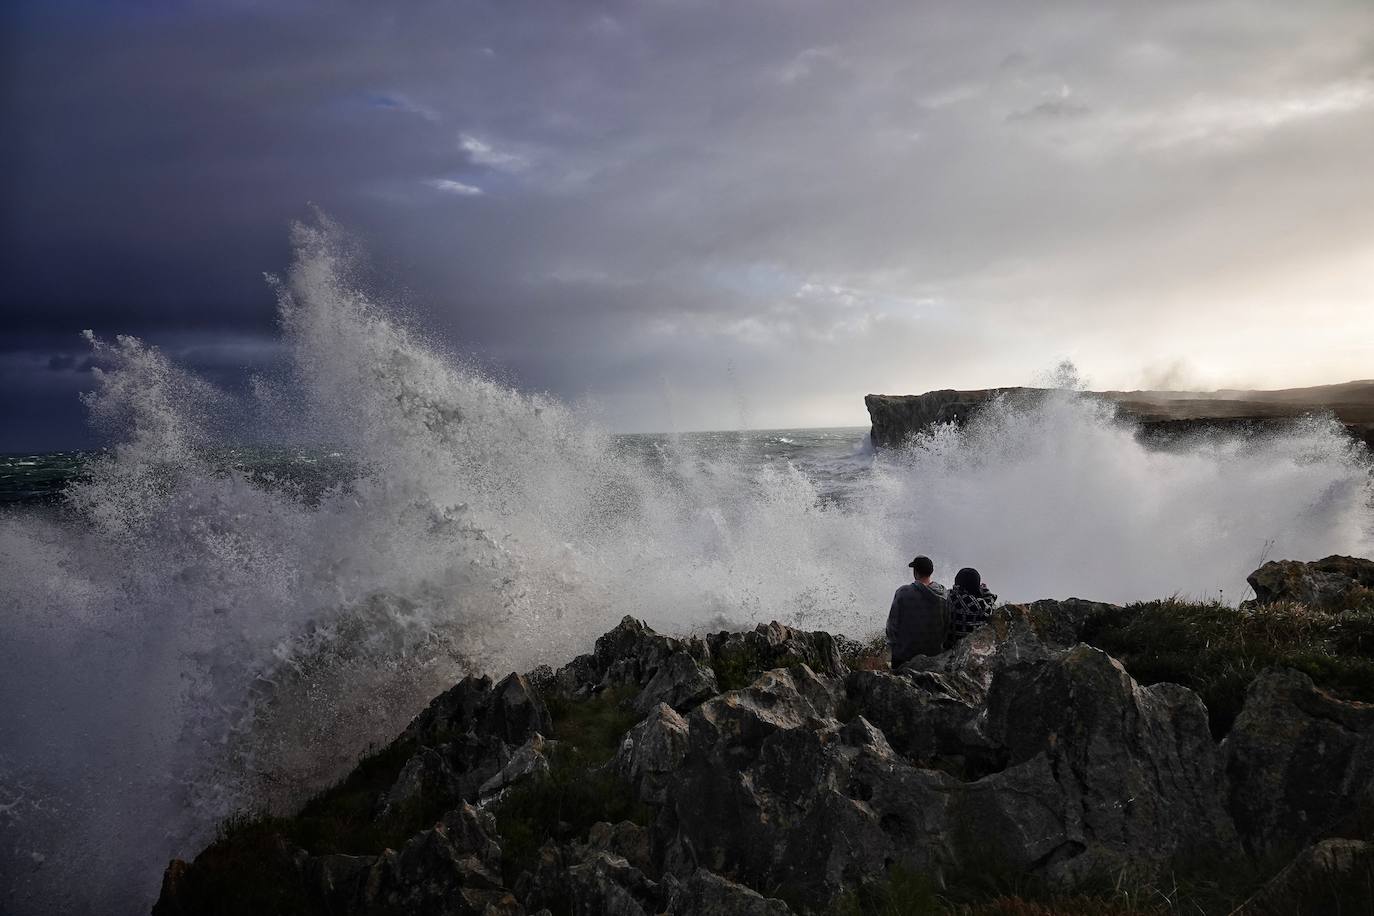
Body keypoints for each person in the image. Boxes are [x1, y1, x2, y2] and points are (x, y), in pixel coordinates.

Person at [885, 555, 948, 668]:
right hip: (935, 658)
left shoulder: (903, 592)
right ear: (931, 571)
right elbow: (948, 627)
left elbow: (892, 626)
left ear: (915, 572)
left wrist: (892, 649)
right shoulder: (945, 596)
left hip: (904, 658)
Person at [947, 566, 997, 648]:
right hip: (969, 648)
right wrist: (985, 591)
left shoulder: (949, 596)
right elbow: (990, 606)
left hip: (949, 644)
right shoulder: (978, 605)